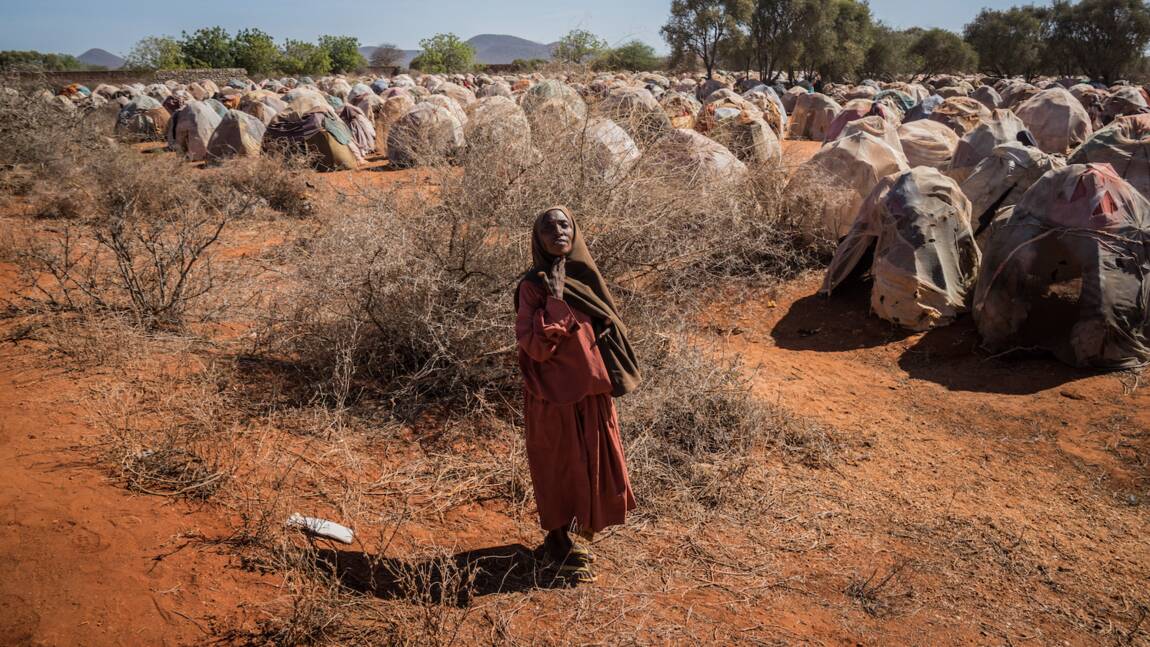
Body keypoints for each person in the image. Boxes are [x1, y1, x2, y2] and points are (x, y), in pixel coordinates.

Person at [513, 206, 642, 584]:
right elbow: (534, 346)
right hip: (552, 396)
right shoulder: (532, 285)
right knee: (557, 466)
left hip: (591, 393)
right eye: (548, 227)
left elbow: (610, 327)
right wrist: (553, 301)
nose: (558, 231)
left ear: (576, 231)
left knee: (595, 464)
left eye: (564, 224)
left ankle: (580, 535)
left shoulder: (586, 277)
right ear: (538, 238)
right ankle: (556, 538)